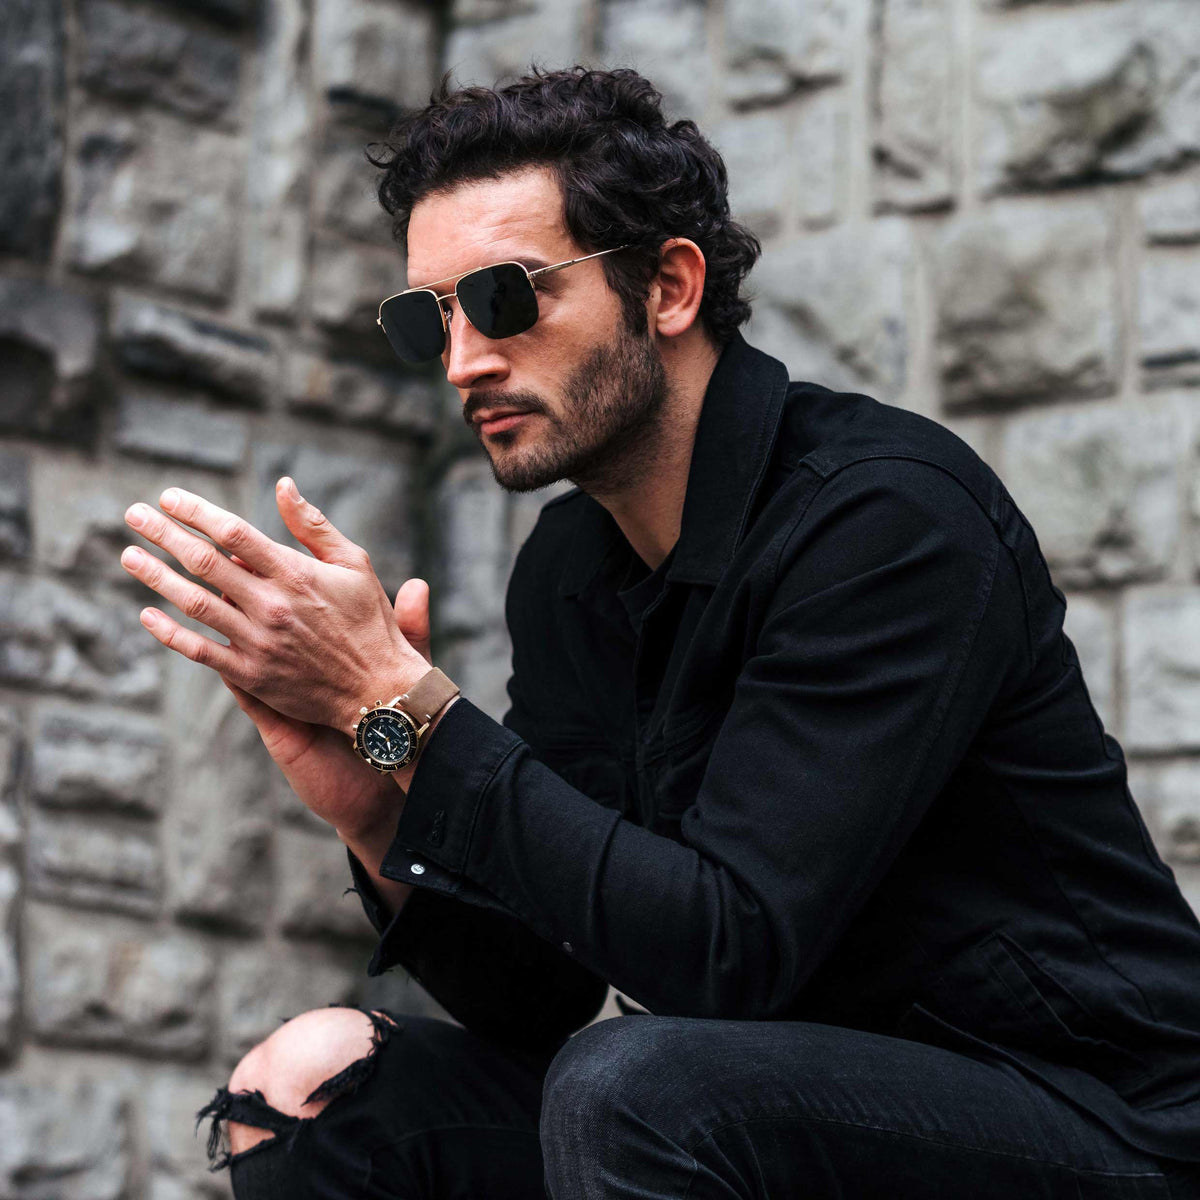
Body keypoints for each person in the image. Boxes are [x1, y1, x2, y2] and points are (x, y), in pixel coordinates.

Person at [119, 67, 1200, 1199]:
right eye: (427, 316)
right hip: (757, 1108)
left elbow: (726, 951)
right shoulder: (569, 571)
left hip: (1092, 1123)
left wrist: (415, 711)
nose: (462, 360)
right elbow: (533, 995)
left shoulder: (887, 520)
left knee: (632, 1084)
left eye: (503, 296)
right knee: (320, 1085)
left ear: (669, 286)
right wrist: (379, 799)